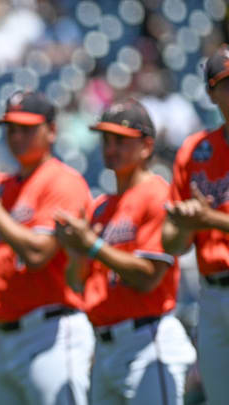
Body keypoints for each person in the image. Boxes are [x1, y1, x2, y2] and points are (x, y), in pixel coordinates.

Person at [0, 91, 94, 405]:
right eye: (12, 129)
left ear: (52, 131)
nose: (17, 137)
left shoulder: (62, 181)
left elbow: (38, 254)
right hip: (1, 336)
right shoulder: (2, 189)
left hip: (50, 330)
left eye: (27, 128)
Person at [54, 99, 196, 404]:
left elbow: (148, 278)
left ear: (146, 146)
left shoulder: (156, 193)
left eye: (121, 140)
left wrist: (92, 245)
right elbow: (77, 282)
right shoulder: (100, 207)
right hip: (105, 344)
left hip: (147, 340)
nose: (111, 148)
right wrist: (77, 252)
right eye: (106, 139)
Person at [162, 44, 229, 405]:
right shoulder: (194, 150)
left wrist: (208, 218)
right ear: (211, 92)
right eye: (227, 83)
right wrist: (187, 224)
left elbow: (207, 219)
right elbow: (172, 243)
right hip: (212, 291)